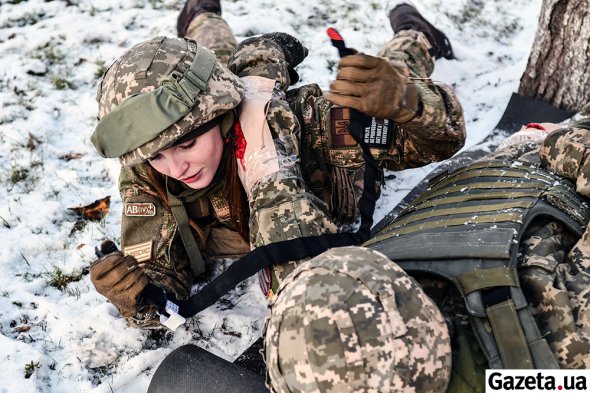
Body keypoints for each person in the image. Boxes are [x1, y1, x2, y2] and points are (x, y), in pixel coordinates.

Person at [89, 0, 465, 329]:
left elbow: (440, 139)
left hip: (239, 102)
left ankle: (414, 31)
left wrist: (409, 101)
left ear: (222, 116)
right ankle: (201, 13)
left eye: (187, 144)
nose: (176, 167)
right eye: (157, 155)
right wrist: (136, 296)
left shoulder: (310, 123)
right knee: (216, 49)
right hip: (212, 84)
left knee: (390, 70)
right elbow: (162, 275)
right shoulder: (149, 169)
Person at [266, 119, 590, 392]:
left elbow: (281, 216)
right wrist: (561, 143)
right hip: (548, 168)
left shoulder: (310, 330)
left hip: (505, 174)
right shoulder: (565, 343)